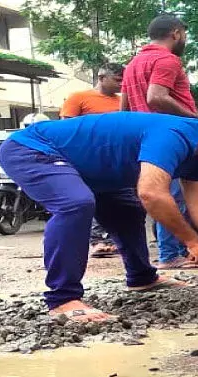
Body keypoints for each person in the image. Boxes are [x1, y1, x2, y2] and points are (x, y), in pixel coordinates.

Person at [0, 111, 198, 323]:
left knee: (127, 210)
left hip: (90, 170)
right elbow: (152, 193)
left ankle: (141, 277)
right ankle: (62, 299)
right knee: (75, 204)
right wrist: (193, 243)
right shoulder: (175, 135)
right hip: (34, 148)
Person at [121, 14, 198, 269]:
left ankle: (174, 251)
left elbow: (124, 108)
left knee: (161, 193)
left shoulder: (133, 63)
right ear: (176, 33)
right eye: (184, 34)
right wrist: (196, 119)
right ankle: (170, 255)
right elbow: (156, 97)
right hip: (169, 136)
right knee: (173, 195)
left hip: (143, 137)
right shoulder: (167, 59)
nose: (184, 39)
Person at [61, 62, 125, 259]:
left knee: (120, 200)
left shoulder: (122, 101)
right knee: (92, 198)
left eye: (123, 80)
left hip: (116, 158)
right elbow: (67, 128)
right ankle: (97, 240)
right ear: (101, 77)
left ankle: (116, 241)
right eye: (117, 80)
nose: (121, 84)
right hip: (87, 157)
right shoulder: (79, 97)